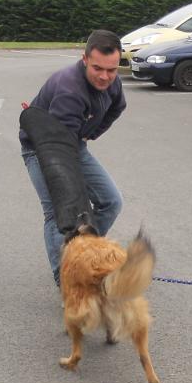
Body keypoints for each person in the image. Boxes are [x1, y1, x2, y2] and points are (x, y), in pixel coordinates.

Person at [21, 30, 125, 284]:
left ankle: (83, 256)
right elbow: (60, 155)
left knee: (111, 201)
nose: (104, 76)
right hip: (43, 148)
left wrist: (91, 134)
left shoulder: (113, 81)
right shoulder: (70, 90)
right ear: (85, 59)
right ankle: (67, 279)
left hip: (72, 143)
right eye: (98, 68)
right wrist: (73, 204)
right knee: (61, 214)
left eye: (111, 70)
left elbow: (116, 108)